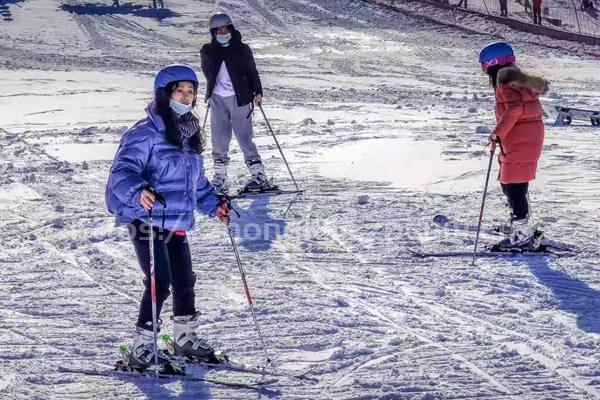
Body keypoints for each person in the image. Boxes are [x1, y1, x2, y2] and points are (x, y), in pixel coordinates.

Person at [105, 64, 230, 371]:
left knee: (184, 279)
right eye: (180, 91)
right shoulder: (145, 132)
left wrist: (215, 204)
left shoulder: (188, 136)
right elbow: (122, 171)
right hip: (145, 216)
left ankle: (184, 338)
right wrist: (138, 191)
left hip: (174, 220)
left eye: (191, 92)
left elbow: (196, 185)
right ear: (164, 95)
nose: (186, 97)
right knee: (160, 279)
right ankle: (142, 346)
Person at [478, 42, 549, 249]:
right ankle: (523, 224)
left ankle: (523, 234)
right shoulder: (518, 80)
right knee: (512, 182)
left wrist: (497, 133)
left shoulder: (504, 83)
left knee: (513, 186)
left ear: (491, 64)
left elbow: (515, 108)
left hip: (519, 139)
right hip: (528, 137)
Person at [200, 13, 273, 195]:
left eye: (224, 29)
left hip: (240, 98)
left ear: (230, 29)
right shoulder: (207, 50)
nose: (222, 32)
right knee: (219, 139)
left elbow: (252, 71)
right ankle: (220, 179)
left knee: (244, 137)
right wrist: (210, 92)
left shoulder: (242, 49)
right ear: (213, 32)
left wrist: (257, 92)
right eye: (218, 30)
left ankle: (259, 177)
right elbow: (207, 72)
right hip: (217, 99)